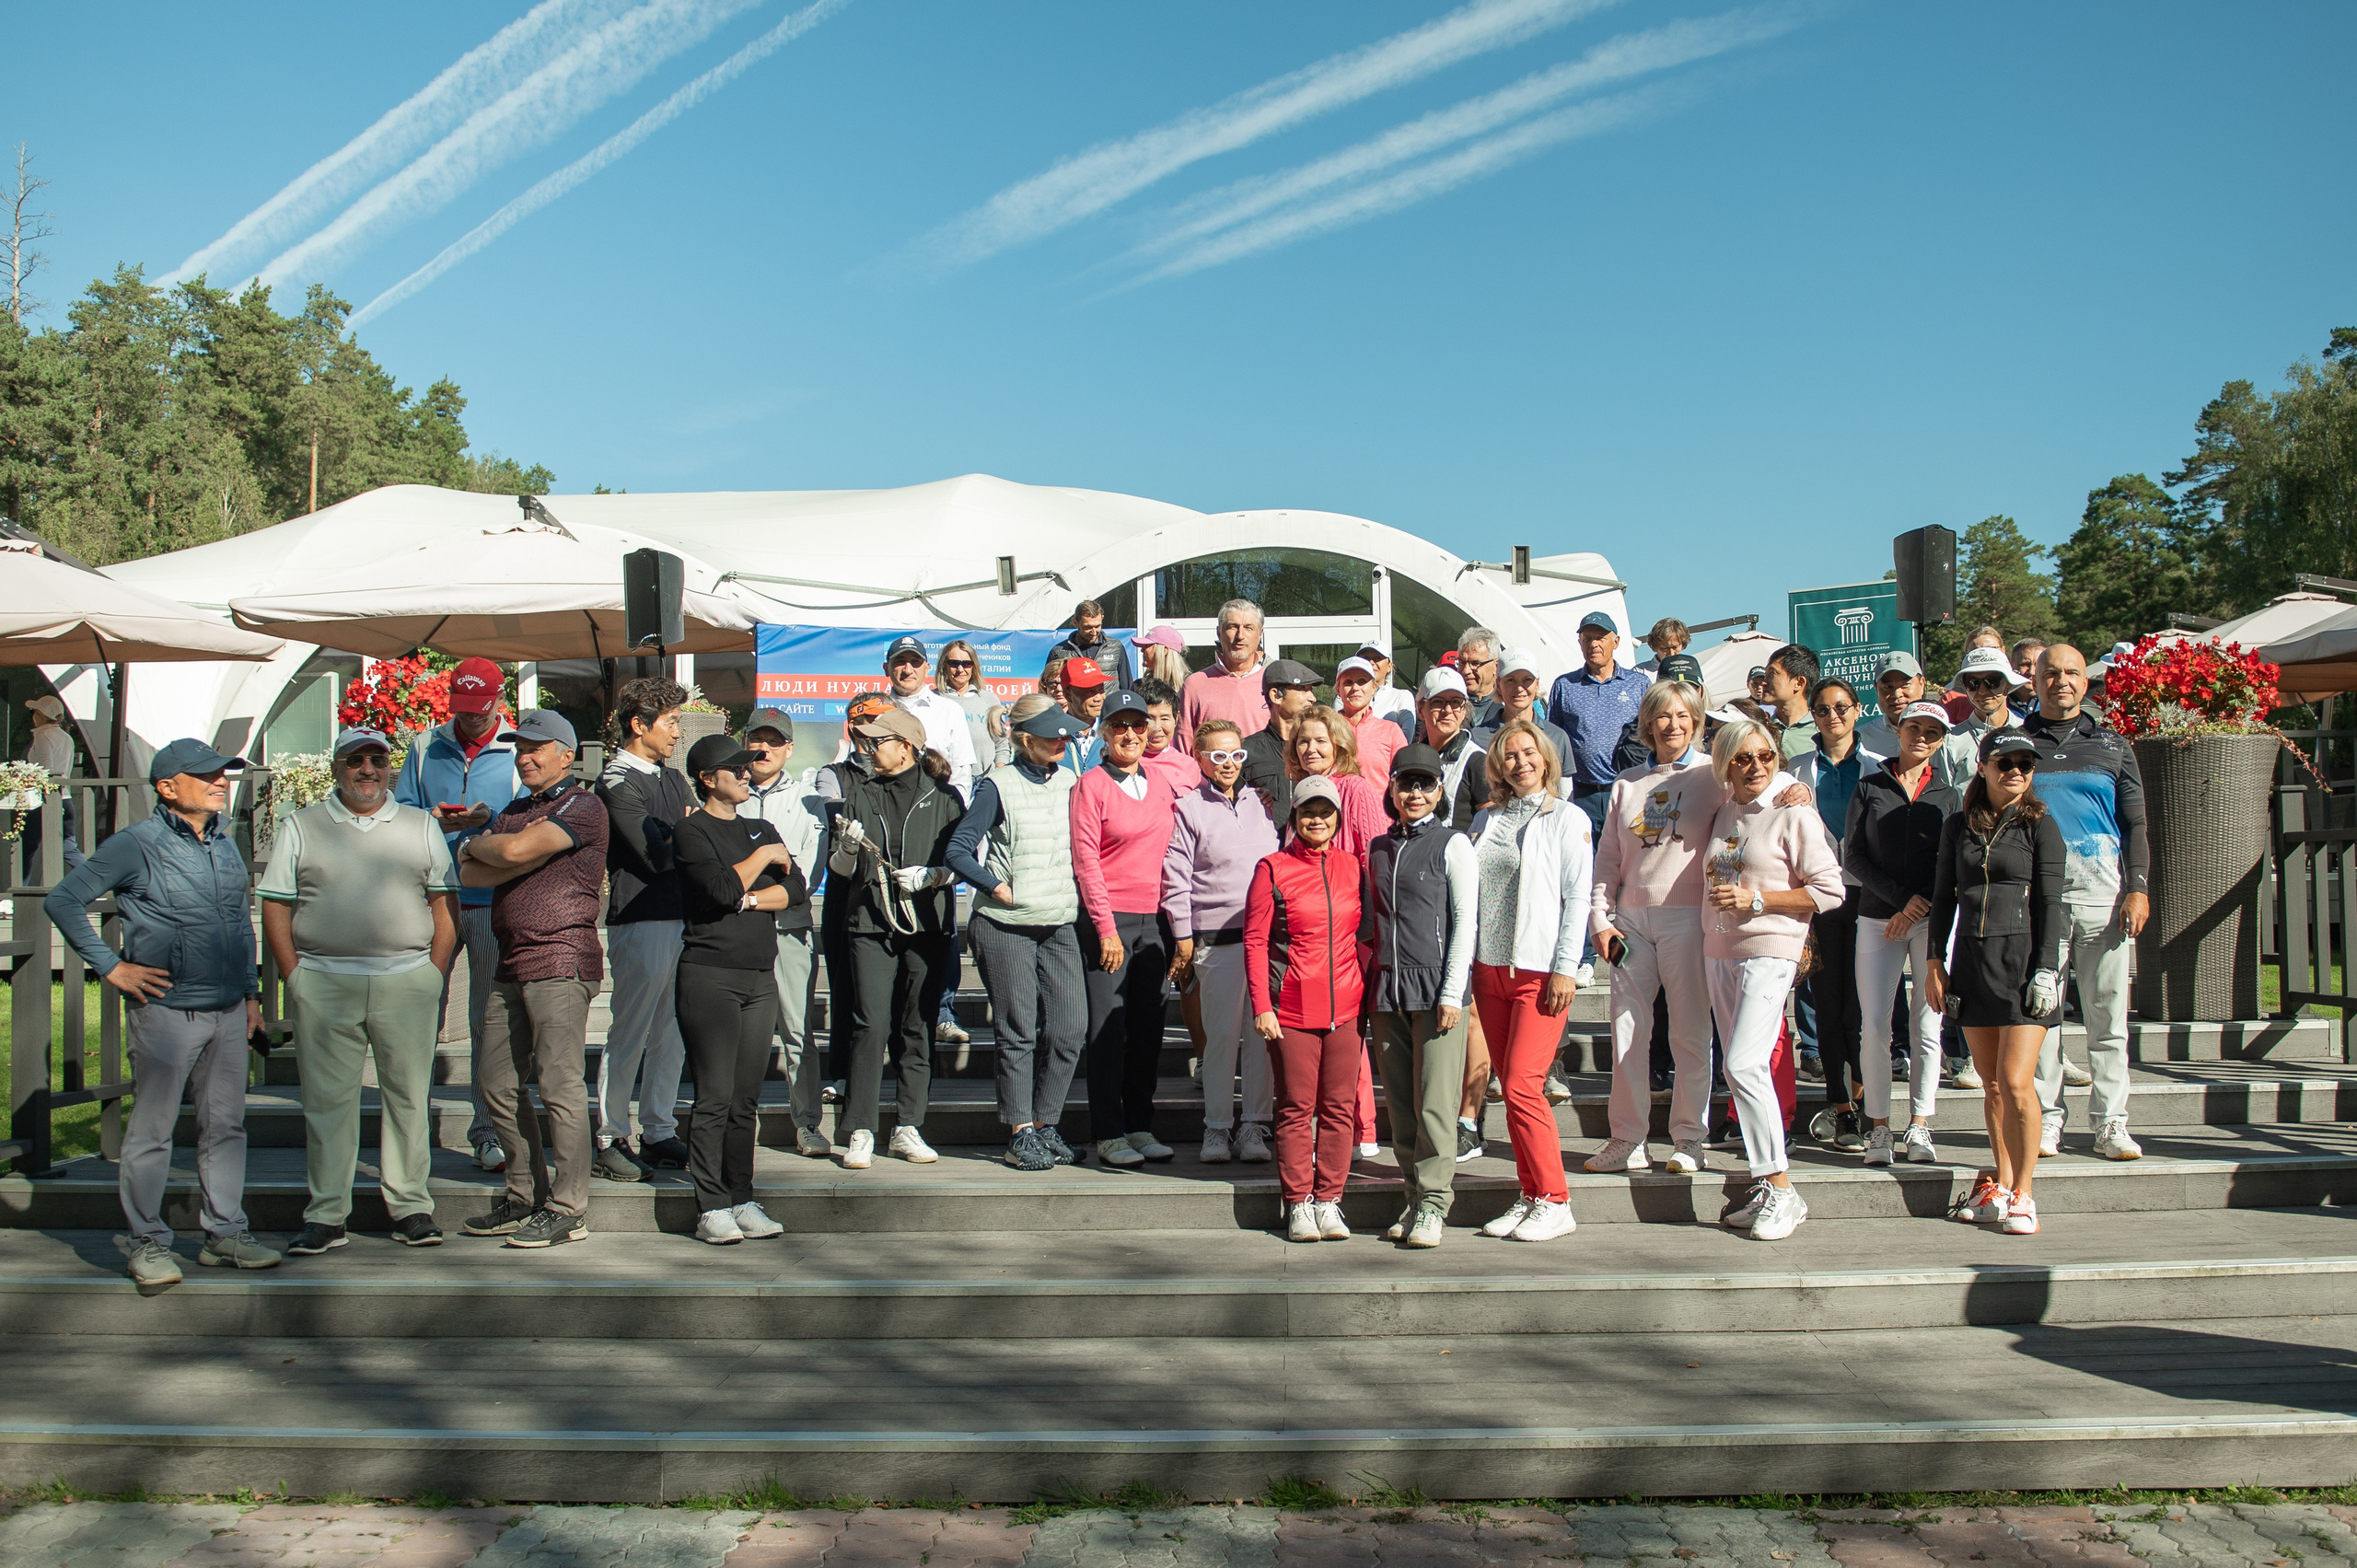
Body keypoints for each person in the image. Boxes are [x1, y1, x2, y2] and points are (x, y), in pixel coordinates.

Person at [47, 738, 275, 1284]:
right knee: (152, 1131)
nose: (221, 782)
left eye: (223, 774)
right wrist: (110, 966)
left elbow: (238, 924)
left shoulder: (224, 842)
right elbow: (63, 900)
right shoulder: (134, 844)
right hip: (166, 1012)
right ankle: (146, 1242)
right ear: (168, 788)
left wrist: (250, 996)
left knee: (226, 1127)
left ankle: (226, 1235)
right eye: (207, 775)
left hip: (227, 1011)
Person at [1588, 681, 1805, 1176]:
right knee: (1627, 1033)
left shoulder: (1714, 772)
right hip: (1630, 925)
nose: (1674, 724)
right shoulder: (1626, 784)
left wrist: (1799, 788)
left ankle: (1689, 1138)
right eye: (1663, 715)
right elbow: (1608, 858)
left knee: (1689, 1033)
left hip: (1690, 919)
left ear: (1697, 720)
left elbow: (1762, 782)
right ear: (1648, 723)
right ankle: (1627, 1138)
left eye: (1684, 715)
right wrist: (1600, 918)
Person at [261, 726, 461, 1257]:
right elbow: (276, 904)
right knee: (327, 1103)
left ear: (390, 768)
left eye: (377, 759)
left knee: (408, 1097)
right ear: (336, 768)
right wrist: (294, 977)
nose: (367, 770)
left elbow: (444, 903)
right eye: (355, 760)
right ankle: (326, 1215)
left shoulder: (421, 826)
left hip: (407, 979)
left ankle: (411, 1207)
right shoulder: (301, 826)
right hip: (324, 981)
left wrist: (434, 972)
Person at [455, 709, 609, 1250]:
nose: (525, 756)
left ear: (567, 756)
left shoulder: (583, 805)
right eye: (520, 747)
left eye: (536, 747)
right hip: (511, 961)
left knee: (559, 1084)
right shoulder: (516, 810)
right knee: (495, 1081)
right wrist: (487, 848)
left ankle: (568, 1208)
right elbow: (471, 872)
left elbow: (510, 851)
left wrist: (493, 847)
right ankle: (524, 1195)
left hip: (561, 959)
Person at [1701, 716, 1846, 1242]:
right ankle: (1767, 1185)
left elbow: (1830, 891)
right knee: (1740, 1069)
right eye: (1743, 758)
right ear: (1725, 765)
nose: (1756, 766)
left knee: (1744, 1063)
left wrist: (1757, 900)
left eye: (1765, 756)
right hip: (1720, 951)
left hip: (1771, 949)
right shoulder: (1723, 810)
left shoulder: (1794, 812)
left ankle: (1782, 1188)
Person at [1928, 730, 2066, 1236]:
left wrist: (2046, 968)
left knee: (2015, 1081)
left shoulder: (2041, 824)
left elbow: (2051, 902)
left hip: (2023, 962)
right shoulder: (1957, 825)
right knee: (1990, 1084)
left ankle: (2025, 1192)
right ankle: (2002, 1183)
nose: (2016, 772)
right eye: (2006, 762)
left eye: (2025, 765)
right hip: (1971, 961)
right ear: (1983, 766)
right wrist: (1933, 961)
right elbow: (1943, 897)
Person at [392, 655, 527, 1173]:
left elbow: (530, 821)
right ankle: (409, 1133)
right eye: (463, 706)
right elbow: (398, 813)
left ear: (500, 700)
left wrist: (490, 821)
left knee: (489, 1020)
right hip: (431, 899)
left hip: (492, 900)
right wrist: (430, 819)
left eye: (481, 706)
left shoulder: (517, 747)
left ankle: (487, 1131)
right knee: (418, 1015)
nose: (472, 716)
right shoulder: (425, 745)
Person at [947, 694, 1089, 1170]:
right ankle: (1019, 1132)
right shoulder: (997, 786)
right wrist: (994, 886)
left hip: (1059, 922)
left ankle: (1045, 1125)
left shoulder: (1071, 781)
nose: (1062, 740)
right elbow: (958, 850)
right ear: (1025, 739)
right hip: (1004, 925)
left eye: (1065, 733)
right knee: (1019, 1030)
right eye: (1052, 734)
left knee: (1070, 1029)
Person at [2022, 643, 2150, 1161]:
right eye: (2051, 673)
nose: (2062, 681)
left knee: (2108, 1019)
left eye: (2072, 672)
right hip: (2037, 902)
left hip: (2104, 898)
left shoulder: (2114, 745)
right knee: (2041, 1017)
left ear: (2085, 681)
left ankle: (2111, 1122)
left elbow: (2135, 823)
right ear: (2035, 681)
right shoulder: (2015, 743)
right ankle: (2046, 1119)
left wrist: (2138, 887)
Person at [1466, 721, 1592, 1245]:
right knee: (1511, 1089)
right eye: (1509, 756)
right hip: (1488, 969)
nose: (1520, 763)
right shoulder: (1486, 818)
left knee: (1522, 1085)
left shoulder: (1567, 817)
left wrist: (1566, 967)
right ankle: (1531, 1192)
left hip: (1538, 971)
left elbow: (1578, 896)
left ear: (1545, 757)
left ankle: (1556, 1200)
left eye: (1528, 753)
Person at [671, 733, 795, 1245]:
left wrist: (750, 898)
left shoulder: (759, 826)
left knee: (746, 1100)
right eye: (736, 768)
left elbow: (794, 890)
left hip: (759, 977)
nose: (748, 773)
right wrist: (762, 859)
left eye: (749, 766)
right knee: (715, 1097)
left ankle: (742, 1197)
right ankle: (711, 1206)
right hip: (710, 977)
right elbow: (721, 888)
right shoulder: (691, 830)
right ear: (707, 778)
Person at [827, 705, 963, 1169]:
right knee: (869, 1024)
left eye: (877, 741)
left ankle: (908, 1126)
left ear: (905, 747)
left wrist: (933, 876)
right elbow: (840, 870)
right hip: (869, 923)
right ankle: (861, 1128)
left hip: (927, 926)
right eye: (865, 742)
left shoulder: (945, 797)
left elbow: (960, 864)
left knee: (917, 1024)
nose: (868, 749)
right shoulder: (860, 794)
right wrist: (848, 848)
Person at [1364, 745, 1477, 1249]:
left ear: (1439, 790)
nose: (1414, 793)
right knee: (1402, 1105)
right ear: (1391, 788)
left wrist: (1453, 992)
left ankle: (1434, 1202)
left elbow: (1465, 922)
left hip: (1436, 990)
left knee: (1434, 1102)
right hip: (1388, 989)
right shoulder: (1378, 848)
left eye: (1425, 784)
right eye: (1406, 783)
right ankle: (1412, 1196)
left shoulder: (1453, 844)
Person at [1245, 775, 1365, 1243]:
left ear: (1337, 817)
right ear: (1294, 817)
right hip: (1291, 1007)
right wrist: (1262, 1005)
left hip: (1346, 1006)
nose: (1317, 820)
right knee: (1296, 1108)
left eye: (1325, 812)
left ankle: (1329, 1200)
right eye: (1308, 812)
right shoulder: (1272, 868)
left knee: (1339, 1107)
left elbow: (1363, 936)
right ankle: (1298, 1202)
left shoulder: (1352, 866)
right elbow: (1255, 942)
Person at [1844, 702, 1962, 1167]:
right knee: (1874, 1025)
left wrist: (1920, 905)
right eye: (1915, 727)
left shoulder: (1950, 795)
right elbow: (1853, 857)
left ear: (1941, 740)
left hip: (1932, 920)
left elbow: (1954, 861)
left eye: (1933, 732)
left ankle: (1920, 1123)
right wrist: (1900, 901)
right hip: (1878, 917)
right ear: (1899, 729)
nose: (1922, 737)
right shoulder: (1869, 786)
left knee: (1927, 1024)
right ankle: (1878, 1125)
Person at [1164, 717, 1281, 1165]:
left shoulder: (1262, 804)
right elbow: (1176, 879)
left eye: (1236, 754)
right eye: (1218, 755)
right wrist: (1183, 937)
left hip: (1263, 942)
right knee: (1221, 1039)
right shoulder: (1189, 809)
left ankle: (1254, 1126)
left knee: (1260, 1038)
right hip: (1216, 942)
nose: (1229, 763)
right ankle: (1216, 1128)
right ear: (1200, 758)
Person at [1071, 691, 1179, 1168]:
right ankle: (1109, 1132)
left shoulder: (1160, 781)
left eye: (1139, 725)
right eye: (1120, 726)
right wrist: (1105, 928)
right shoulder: (1090, 786)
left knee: (1148, 1028)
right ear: (1104, 732)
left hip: (1156, 920)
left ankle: (1139, 1125)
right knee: (1108, 1031)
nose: (1131, 734)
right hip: (1110, 920)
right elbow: (1086, 861)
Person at [594, 677, 692, 1182]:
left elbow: (693, 838)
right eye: (671, 722)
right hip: (640, 916)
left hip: (682, 915)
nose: (678, 731)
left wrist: (683, 837)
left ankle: (657, 1128)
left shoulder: (672, 778)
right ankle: (610, 1135)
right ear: (639, 724)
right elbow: (655, 854)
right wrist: (687, 836)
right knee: (630, 1030)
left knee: (672, 1030)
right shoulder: (615, 780)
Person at [1790, 676, 1884, 1150]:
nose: (1833, 717)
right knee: (1827, 1006)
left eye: (1842, 707)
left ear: (1858, 709)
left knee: (1861, 1009)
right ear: (1813, 715)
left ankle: (1866, 1105)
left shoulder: (1879, 767)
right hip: (1820, 899)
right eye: (1823, 709)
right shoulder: (1796, 770)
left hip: (1869, 897)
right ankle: (1840, 1106)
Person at [736, 708, 831, 1159]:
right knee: (737, 1035)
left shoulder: (808, 801)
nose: (764, 749)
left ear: (789, 748)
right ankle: (734, 1124)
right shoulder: (726, 792)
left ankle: (807, 1123)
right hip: (733, 934)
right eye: (757, 739)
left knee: (796, 1031)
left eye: (774, 741)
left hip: (788, 931)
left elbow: (805, 876)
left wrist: (749, 894)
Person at [814, 691, 894, 1093]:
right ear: (853, 728)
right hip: (846, 890)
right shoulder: (832, 773)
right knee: (845, 986)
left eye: (882, 721)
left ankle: (902, 1078)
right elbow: (837, 815)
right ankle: (843, 1074)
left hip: (895, 890)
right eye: (867, 722)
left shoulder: (914, 774)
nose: (874, 731)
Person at [1544, 612, 1649, 841]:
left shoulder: (1638, 684)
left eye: (1600, 638)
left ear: (1616, 642)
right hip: (1581, 793)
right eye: (1587, 638)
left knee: (1626, 853)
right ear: (1580, 643)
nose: (1593, 644)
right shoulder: (1565, 685)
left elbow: (1652, 737)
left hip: (1628, 789)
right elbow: (1552, 740)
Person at [1284, 704, 1389, 861]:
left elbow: (1375, 857)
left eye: (1321, 741)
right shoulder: (1302, 789)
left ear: (1339, 746)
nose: (1311, 749)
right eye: (1303, 741)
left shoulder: (1356, 788)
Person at [886, 633, 980, 800]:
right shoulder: (877, 713)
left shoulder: (950, 711)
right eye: (900, 662)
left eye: (915, 662)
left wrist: (956, 811)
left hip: (938, 809)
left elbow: (961, 773)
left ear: (927, 668)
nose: (908, 670)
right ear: (886, 668)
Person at [1178, 598, 1270, 749]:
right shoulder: (1195, 685)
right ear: (1219, 633)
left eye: (1249, 628)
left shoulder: (1272, 684)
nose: (1240, 635)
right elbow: (1184, 749)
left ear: (1260, 634)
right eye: (1232, 627)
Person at [1409, 667, 1490, 830]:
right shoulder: (1412, 758)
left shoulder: (1477, 761)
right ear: (1420, 709)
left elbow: (1490, 825)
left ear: (1464, 709)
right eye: (1438, 702)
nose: (1447, 710)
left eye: (1456, 702)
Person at [1239, 658, 1320, 822]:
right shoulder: (1245, 751)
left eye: (1311, 690)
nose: (1312, 698)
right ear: (1276, 696)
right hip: (1267, 838)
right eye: (1303, 689)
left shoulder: (1320, 749)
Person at [1480, 648, 1577, 784]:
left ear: (1537, 684)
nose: (1519, 688)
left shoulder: (1557, 737)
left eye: (1527, 680)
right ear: (1499, 685)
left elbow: (1564, 792)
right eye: (1511, 680)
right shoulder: (1477, 737)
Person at [1939, 646, 2026, 792]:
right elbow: (1943, 795)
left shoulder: (2028, 732)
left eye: (1992, 681)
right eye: (1972, 683)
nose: (1982, 691)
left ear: (2008, 684)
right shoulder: (1950, 740)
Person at [17, 693, 84, 878]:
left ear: (40, 715)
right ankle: (96, 879)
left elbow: (45, 769)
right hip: (65, 798)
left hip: (44, 799)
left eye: (34, 712)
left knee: (27, 848)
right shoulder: (66, 738)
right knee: (68, 847)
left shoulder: (43, 736)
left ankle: (20, 889)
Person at [936, 639, 1010, 774]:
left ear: (974, 667)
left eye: (966, 664)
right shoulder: (933, 700)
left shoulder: (989, 700)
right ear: (944, 666)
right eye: (954, 663)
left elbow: (1001, 744)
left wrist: (999, 773)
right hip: (945, 781)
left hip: (984, 779)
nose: (960, 669)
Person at [1333, 655, 1405, 789]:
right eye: (1348, 682)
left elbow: (1403, 779)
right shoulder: (1327, 729)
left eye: (1362, 681)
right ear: (1338, 689)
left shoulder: (1391, 731)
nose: (1355, 688)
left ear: (1374, 688)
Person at [1051, 598, 1135, 693]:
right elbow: (1049, 687)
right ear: (1075, 622)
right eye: (1088, 627)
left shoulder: (1115, 647)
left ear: (1102, 618)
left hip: (1109, 703)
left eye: (1097, 626)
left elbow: (1127, 688)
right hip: (1075, 703)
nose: (1094, 632)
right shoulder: (1059, 652)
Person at [1137, 676, 1202, 798]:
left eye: (1165, 719)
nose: (1157, 727)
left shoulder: (1190, 766)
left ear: (1176, 718)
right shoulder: (1129, 764)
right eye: (1150, 719)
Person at [1855, 652, 1927, 758]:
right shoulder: (1861, 739)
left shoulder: (1943, 736)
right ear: (1876, 689)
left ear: (1921, 685)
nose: (1897, 694)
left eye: (1905, 685)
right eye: (1888, 686)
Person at [1762, 645, 1820, 761]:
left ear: (1799, 683)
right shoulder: (1761, 729)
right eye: (1765, 675)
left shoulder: (1821, 731)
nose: (1764, 682)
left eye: (1772, 674)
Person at [1057, 656, 1111, 775]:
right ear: (1068, 695)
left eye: (1101, 689)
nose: (1098, 698)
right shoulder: (1053, 736)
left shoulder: (1115, 733)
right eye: (1090, 691)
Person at [1353, 635, 1418, 724]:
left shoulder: (1401, 697)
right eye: (1365, 658)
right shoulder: (1345, 697)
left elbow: (1407, 732)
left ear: (1389, 666)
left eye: (1377, 658)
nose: (1371, 662)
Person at [1457, 627, 1504, 729]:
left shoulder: (1509, 706)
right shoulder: (1448, 705)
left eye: (1475, 663)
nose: (1466, 671)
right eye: (1462, 663)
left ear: (1496, 666)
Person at [1134, 623, 1192, 692]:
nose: (1142, 650)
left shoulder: (1190, 685)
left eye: (1147, 645)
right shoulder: (1138, 686)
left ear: (1165, 650)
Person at [2009, 638, 2047, 718]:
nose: (2031, 672)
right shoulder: (1999, 703)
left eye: (2038, 665)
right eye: (2025, 664)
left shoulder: (2054, 704)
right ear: (2011, 665)